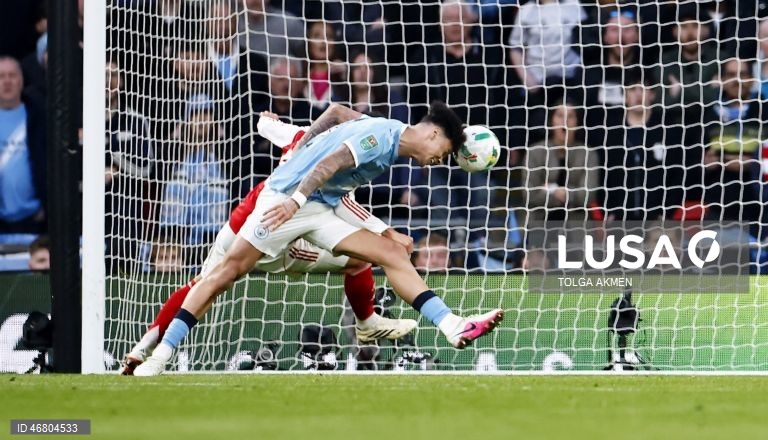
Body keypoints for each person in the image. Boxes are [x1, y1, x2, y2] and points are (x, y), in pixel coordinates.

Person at [134, 101, 503, 376]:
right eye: (445, 151)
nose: (442, 159)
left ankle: (452, 324)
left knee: (391, 252)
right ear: (433, 133)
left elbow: (339, 111)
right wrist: (294, 200)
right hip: (284, 201)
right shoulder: (380, 137)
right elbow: (330, 164)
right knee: (223, 274)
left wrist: (303, 141)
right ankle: (162, 353)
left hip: (319, 208)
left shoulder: (386, 130)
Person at [0, 56, 46, 234]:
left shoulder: (39, 116)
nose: (7, 81)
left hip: (34, 218)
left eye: (12, 75)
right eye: (2, 76)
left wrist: (45, 205)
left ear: (21, 80)